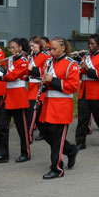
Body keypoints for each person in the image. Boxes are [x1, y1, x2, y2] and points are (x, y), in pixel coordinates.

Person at [39, 37, 80, 179]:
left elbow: (73, 86)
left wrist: (53, 80)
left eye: (54, 49)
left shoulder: (71, 64)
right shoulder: (48, 62)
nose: (51, 51)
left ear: (63, 48)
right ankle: (70, 150)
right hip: (49, 103)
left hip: (62, 105)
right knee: (45, 132)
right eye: (50, 48)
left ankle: (57, 169)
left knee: (57, 138)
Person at [0, 38, 31, 164]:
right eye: (10, 48)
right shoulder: (11, 59)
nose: (11, 50)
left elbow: (12, 76)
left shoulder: (24, 60)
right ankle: (2, 154)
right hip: (8, 97)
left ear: (20, 48)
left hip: (18, 97)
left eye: (14, 48)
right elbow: (6, 77)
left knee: (21, 128)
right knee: (2, 126)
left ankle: (26, 153)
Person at [75, 34, 99, 149]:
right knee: (82, 118)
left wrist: (87, 69)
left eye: (93, 44)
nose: (90, 46)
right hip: (84, 91)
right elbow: (80, 71)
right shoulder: (86, 56)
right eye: (89, 44)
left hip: (96, 92)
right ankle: (80, 142)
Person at [27, 36, 50, 141]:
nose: (32, 48)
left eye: (34, 46)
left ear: (40, 45)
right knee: (37, 114)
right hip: (31, 86)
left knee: (32, 112)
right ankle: (45, 133)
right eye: (30, 46)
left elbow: (46, 71)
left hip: (39, 87)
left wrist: (32, 69)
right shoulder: (31, 56)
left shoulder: (45, 56)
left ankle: (28, 136)